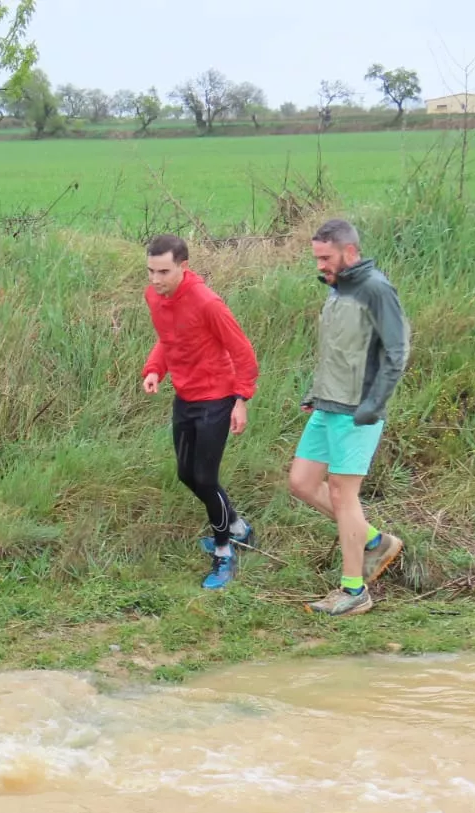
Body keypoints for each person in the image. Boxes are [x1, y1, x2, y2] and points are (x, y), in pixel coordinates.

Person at [288, 218, 408, 617]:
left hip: (357, 412)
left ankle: (354, 590)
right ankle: (374, 541)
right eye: (317, 258)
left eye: (326, 258)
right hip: (328, 405)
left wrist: (373, 405)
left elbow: (397, 352)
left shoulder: (376, 289)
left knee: (343, 493)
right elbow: (338, 350)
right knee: (302, 483)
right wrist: (315, 392)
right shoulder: (337, 288)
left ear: (350, 252)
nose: (320, 265)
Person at [142, 234, 259, 590]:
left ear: (183, 266)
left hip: (216, 397)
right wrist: (154, 369)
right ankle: (237, 527)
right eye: (151, 271)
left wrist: (241, 399)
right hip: (185, 397)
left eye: (164, 272)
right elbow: (168, 338)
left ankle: (224, 552)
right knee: (186, 474)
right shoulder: (154, 297)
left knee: (205, 478)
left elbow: (243, 352)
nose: (156, 280)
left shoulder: (208, 303)